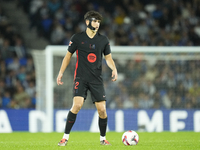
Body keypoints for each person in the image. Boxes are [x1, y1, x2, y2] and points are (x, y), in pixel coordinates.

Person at [57, 10, 118, 146]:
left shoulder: (103, 40)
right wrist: (61, 72)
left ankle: (103, 139)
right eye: (95, 21)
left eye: (99, 22)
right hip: (81, 78)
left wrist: (114, 68)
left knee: (102, 110)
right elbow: (68, 56)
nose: (97, 24)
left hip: (96, 79)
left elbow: (108, 58)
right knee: (77, 105)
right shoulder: (77, 38)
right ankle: (65, 138)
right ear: (87, 22)